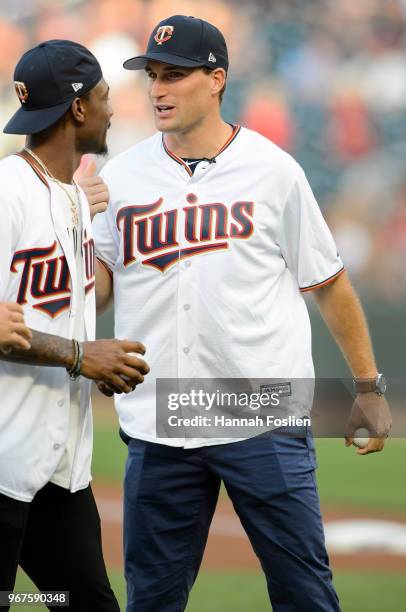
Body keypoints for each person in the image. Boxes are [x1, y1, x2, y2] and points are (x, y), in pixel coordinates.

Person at [91, 15, 392, 612]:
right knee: (151, 600)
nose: (158, 88)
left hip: (260, 406)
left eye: (174, 74)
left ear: (216, 80)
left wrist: (368, 385)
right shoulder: (120, 176)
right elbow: (98, 288)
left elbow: (329, 284)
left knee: (305, 594)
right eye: (152, 75)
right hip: (162, 416)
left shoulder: (274, 170)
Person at [0, 40, 149, 612]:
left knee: (83, 603)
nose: (112, 110)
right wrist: (84, 356)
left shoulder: (76, 200)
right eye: (105, 97)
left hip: (59, 472)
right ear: (78, 109)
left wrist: (98, 357)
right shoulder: (9, 193)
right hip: (6, 461)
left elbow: (76, 305)